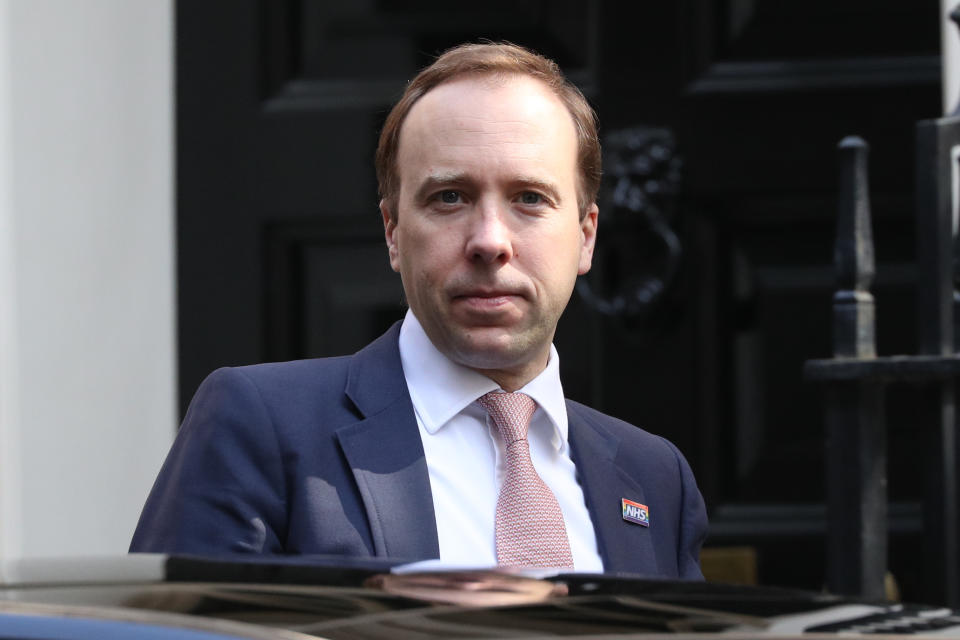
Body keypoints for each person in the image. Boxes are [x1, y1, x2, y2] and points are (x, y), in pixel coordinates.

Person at [130, 42, 707, 578]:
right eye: (449, 197)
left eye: (529, 198)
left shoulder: (655, 479)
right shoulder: (261, 426)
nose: (489, 240)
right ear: (392, 231)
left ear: (586, 236)